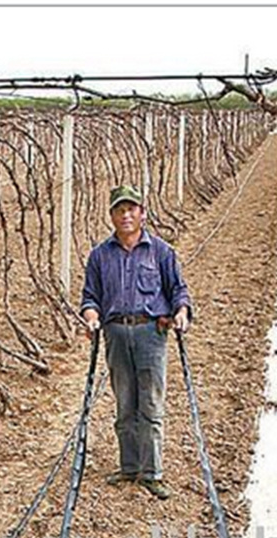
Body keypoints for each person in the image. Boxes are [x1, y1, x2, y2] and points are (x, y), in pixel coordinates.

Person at [80, 184, 192, 501]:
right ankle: (129, 467)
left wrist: (181, 312)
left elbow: (178, 291)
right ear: (112, 216)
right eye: (119, 210)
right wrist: (91, 317)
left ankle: (152, 473)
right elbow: (91, 297)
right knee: (124, 403)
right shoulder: (100, 256)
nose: (126, 215)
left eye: (131, 209)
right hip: (116, 333)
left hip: (151, 334)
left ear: (142, 213)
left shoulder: (161, 252)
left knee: (151, 403)